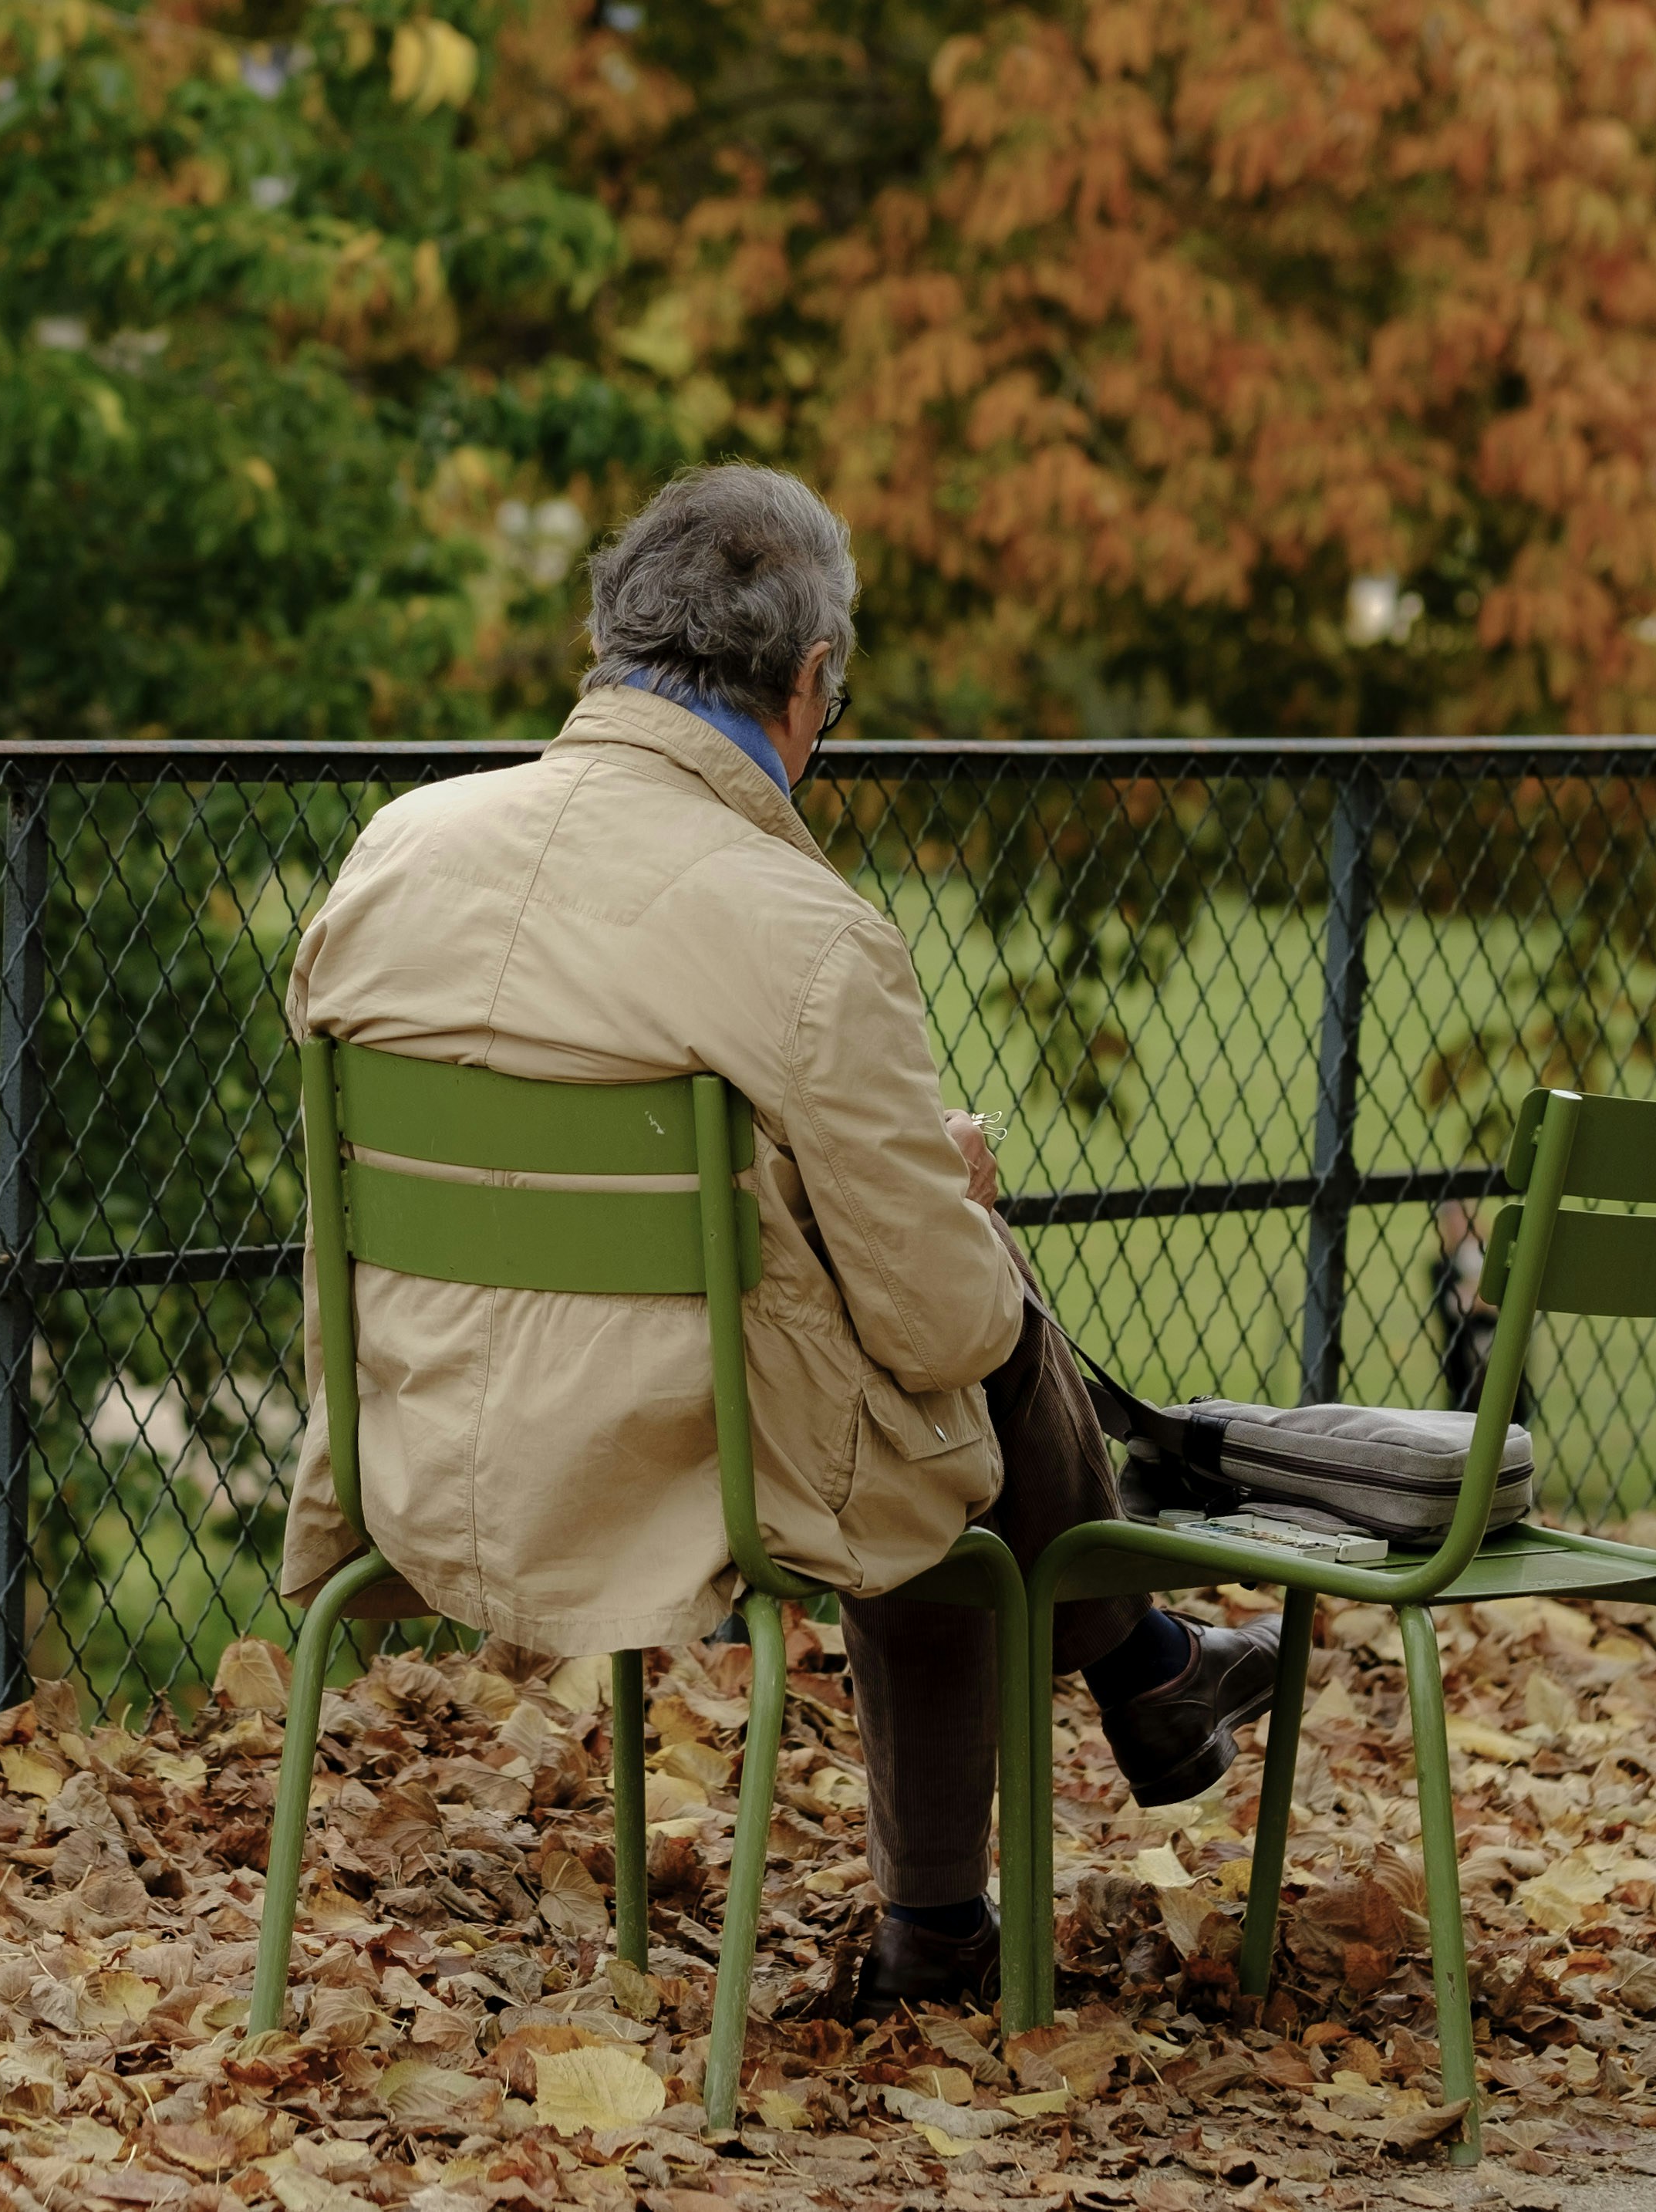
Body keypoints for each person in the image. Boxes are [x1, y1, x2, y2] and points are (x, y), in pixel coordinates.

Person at [277, 463, 1277, 2008]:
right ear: (810, 685)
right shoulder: (807, 933)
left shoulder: (395, 848)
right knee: (949, 1374)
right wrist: (927, 1212)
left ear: (605, 644)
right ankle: (1030, 1803)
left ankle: (1136, 1681)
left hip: (417, 1439)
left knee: (898, 1311)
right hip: (679, 1475)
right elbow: (946, 1333)